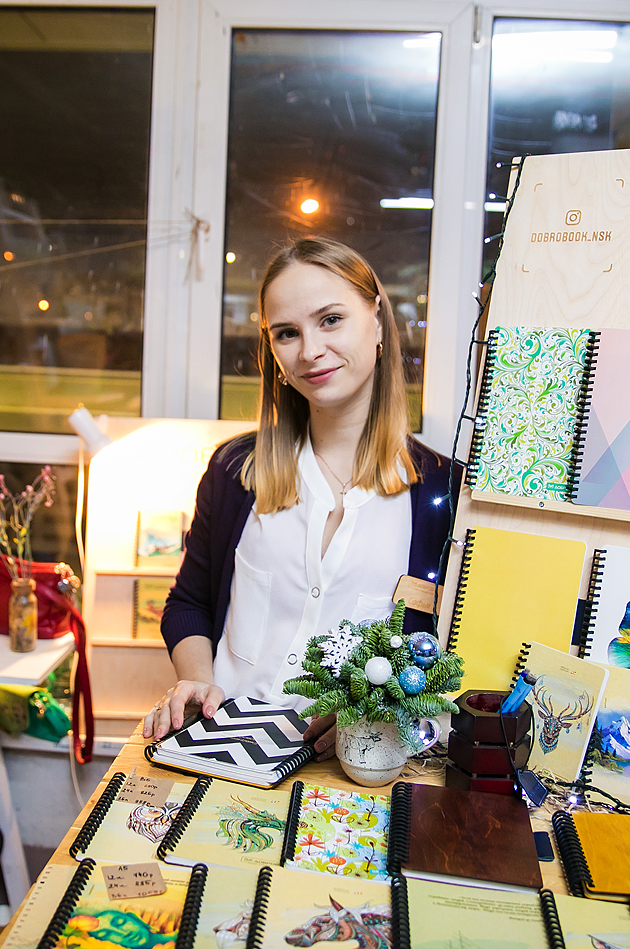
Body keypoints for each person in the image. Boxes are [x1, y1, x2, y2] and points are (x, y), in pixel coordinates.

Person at [146, 238, 457, 760]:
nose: (310, 351)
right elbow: (189, 604)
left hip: (351, 768)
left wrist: (376, 714)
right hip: (220, 748)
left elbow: (446, 658)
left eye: (331, 320)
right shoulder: (235, 471)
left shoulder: (443, 496)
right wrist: (197, 681)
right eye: (287, 333)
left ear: (378, 321)